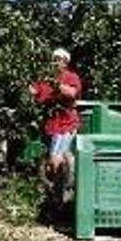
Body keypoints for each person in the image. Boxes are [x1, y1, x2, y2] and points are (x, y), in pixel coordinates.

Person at [29, 48, 82, 189]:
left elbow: (72, 92)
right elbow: (34, 91)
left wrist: (57, 85)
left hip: (66, 123)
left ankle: (63, 187)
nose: (55, 62)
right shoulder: (44, 79)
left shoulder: (71, 77)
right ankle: (59, 185)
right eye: (54, 59)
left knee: (56, 157)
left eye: (59, 59)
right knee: (51, 159)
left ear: (65, 62)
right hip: (50, 124)